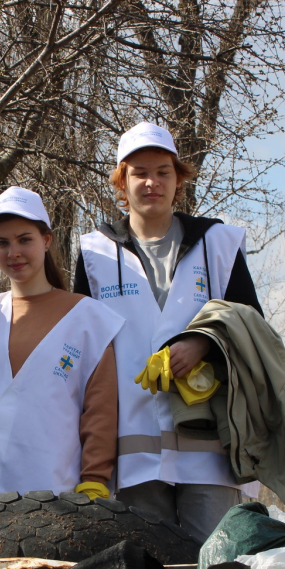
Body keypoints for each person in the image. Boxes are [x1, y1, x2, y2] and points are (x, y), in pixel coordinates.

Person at [74, 122, 263, 543]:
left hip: (210, 450)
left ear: (179, 179)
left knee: (212, 567)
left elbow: (254, 328)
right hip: (132, 451)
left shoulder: (219, 244)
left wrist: (204, 344)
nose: (152, 182)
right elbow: (84, 351)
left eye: (163, 171)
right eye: (139, 172)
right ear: (122, 182)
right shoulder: (94, 253)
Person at [0, 187, 123, 505]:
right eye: (3, 242)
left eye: (25, 239)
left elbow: (101, 411)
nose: (14, 253)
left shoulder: (87, 318)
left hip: (50, 488)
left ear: (46, 240)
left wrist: (94, 479)